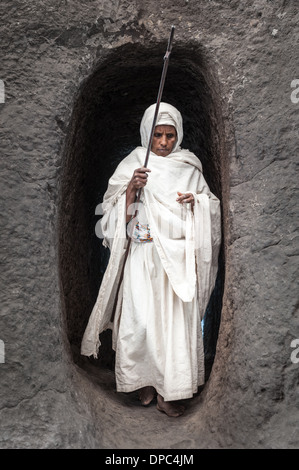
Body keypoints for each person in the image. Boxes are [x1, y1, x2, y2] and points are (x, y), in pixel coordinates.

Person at [81, 103, 221, 417]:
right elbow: (111, 214)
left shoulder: (189, 167)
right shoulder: (133, 163)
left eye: (170, 135)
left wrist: (194, 202)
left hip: (175, 260)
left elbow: (211, 205)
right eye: (157, 134)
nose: (163, 142)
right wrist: (131, 189)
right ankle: (144, 380)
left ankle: (169, 392)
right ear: (148, 133)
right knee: (141, 321)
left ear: (178, 135)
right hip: (142, 255)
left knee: (171, 325)